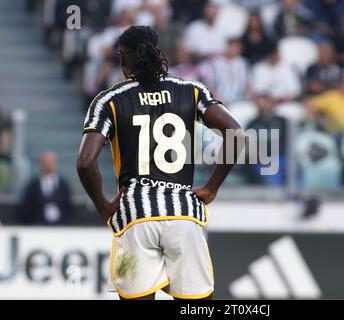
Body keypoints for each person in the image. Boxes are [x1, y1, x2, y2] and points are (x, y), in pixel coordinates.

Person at [77, 26, 244, 300]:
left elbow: (85, 162)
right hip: (184, 213)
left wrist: (104, 207)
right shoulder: (191, 90)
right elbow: (236, 132)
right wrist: (212, 187)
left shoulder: (109, 100)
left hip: (135, 215)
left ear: (122, 57)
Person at [17, 152, 72, 225]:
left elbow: (68, 207)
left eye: (51, 162)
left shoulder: (63, 185)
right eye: (46, 162)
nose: (48, 165)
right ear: (41, 164)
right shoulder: (32, 186)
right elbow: (26, 208)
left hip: (60, 228)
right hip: (37, 227)